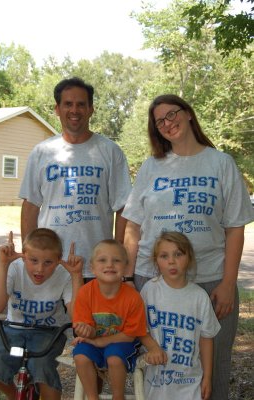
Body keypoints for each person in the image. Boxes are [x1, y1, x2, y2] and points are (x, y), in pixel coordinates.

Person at [122, 94, 254, 399]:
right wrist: (129, 278)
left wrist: (228, 281)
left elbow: (235, 228)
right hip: (151, 279)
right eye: (160, 121)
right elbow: (133, 226)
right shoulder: (151, 167)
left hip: (210, 280)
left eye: (172, 114)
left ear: (189, 114)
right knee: (157, 364)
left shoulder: (221, 163)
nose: (168, 123)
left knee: (213, 366)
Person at [19, 76, 132, 281]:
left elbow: (123, 208)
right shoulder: (42, 152)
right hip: (50, 265)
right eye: (68, 104)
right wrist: (30, 256)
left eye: (81, 104)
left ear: (91, 109)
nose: (74, 110)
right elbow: (31, 205)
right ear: (57, 109)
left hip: (98, 266)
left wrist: (117, 255)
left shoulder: (110, 151)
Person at [0, 228, 83, 400]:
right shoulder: (14, 268)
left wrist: (76, 276)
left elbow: (78, 317)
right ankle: (16, 395)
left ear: (58, 260)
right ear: (23, 256)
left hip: (49, 331)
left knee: (41, 365)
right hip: (13, 328)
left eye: (48, 263)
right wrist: (3, 264)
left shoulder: (65, 275)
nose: (40, 269)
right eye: (33, 260)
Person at [72, 239, 167, 400]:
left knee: (114, 357)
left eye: (116, 260)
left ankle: (118, 396)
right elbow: (84, 326)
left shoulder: (133, 298)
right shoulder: (85, 293)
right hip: (93, 341)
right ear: (92, 268)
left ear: (125, 267)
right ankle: (92, 397)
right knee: (80, 356)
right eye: (102, 260)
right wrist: (87, 330)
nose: (109, 265)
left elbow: (131, 334)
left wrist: (100, 342)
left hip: (121, 342)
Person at [141, 231, 220, 400]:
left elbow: (207, 338)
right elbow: (139, 328)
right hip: (156, 380)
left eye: (178, 254)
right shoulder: (149, 290)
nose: (171, 261)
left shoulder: (199, 296)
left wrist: (207, 376)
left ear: (189, 258)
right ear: (156, 261)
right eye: (164, 256)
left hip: (190, 380)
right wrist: (152, 348)